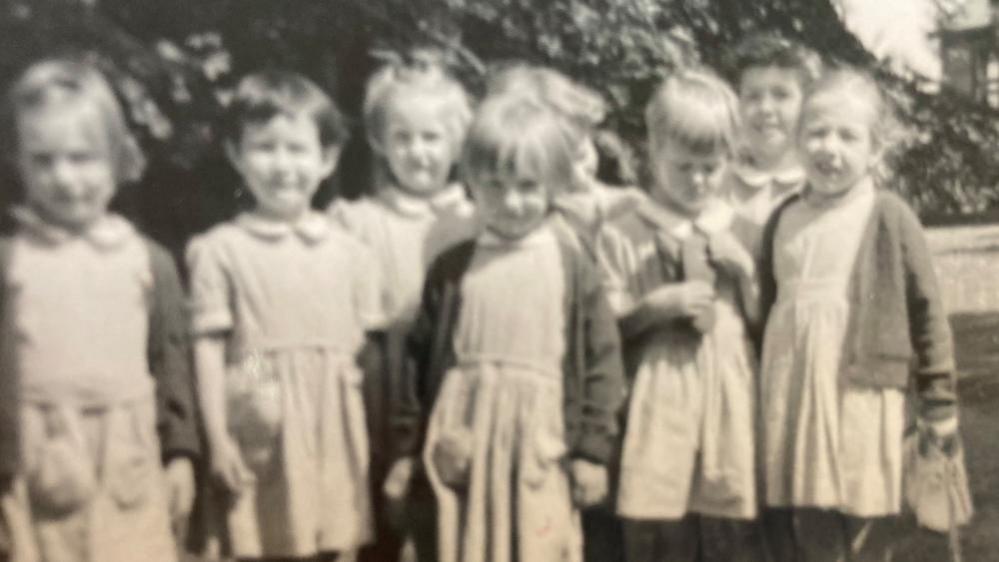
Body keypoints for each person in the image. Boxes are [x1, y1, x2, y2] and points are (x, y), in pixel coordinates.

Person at [392, 94, 625, 562]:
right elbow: (416, 365)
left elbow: (602, 360)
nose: (511, 201)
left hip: (540, 445)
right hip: (463, 440)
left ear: (554, 186)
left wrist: (592, 451)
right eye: (495, 185)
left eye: (527, 186)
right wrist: (405, 450)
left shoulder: (572, 267)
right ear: (472, 182)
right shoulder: (452, 268)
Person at [0, 58, 199, 561]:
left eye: (82, 157)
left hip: (127, 461)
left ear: (117, 157)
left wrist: (180, 453)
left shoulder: (147, 261)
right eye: (43, 160)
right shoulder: (13, 261)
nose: (64, 178)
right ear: (19, 163)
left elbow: (170, 361)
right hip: (37, 462)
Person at [757, 66, 959, 562]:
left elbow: (927, 312)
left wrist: (939, 400)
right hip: (794, 397)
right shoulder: (783, 220)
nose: (830, 148)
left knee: (867, 524)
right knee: (810, 522)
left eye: (848, 136)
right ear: (797, 142)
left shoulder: (887, 216)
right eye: (817, 132)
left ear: (876, 150)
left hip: (860, 399)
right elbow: (765, 312)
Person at [187, 70, 378, 561]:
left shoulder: (350, 253)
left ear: (326, 159)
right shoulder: (221, 249)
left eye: (297, 149)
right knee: (258, 539)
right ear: (236, 155)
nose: (282, 165)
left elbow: (360, 353)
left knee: (333, 540)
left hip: (332, 429)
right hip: (261, 423)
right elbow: (220, 348)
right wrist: (247, 399)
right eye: (264, 148)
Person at [597, 67, 763, 562]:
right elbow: (606, 328)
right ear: (653, 152)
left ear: (729, 159)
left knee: (729, 525)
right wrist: (653, 308)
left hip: (728, 394)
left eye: (710, 167)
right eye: (682, 165)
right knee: (658, 524)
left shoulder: (745, 231)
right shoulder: (624, 231)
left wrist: (748, 275)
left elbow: (766, 326)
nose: (697, 180)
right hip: (659, 399)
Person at [328, 53, 478, 562]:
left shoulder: (475, 220)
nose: (418, 152)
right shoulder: (354, 220)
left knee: (444, 516)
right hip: (377, 376)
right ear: (379, 141)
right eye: (403, 138)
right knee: (377, 518)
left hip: (445, 375)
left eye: (431, 137)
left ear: (457, 143)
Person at [486, 64, 645, 239]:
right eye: (556, 166)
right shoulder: (506, 216)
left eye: (581, 156)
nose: (577, 175)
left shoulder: (614, 201)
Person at [724, 33, 822, 230]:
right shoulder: (718, 185)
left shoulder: (823, 185)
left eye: (781, 95)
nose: (765, 109)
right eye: (753, 97)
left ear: (807, 104)